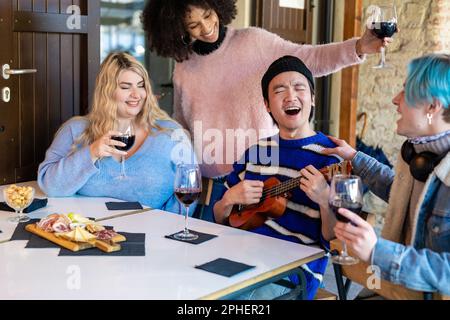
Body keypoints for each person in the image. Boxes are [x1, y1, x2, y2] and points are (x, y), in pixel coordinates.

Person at [142, 0, 392, 221]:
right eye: (194, 25)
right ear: (178, 28)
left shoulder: (254, 41)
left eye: (207, 15)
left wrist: (358, 47)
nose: (206, 28)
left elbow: (310, 59)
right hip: (209, 193)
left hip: (259, 185)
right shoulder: (183, 68)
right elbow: (182, 127)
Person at [214, 56, 344, 300]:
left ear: (313, 98)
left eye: (299, 87)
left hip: (292, 275)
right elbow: (221, 217)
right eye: (279, 90)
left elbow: (333, 238)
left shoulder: (331, 158)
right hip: (238, 258)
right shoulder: (255, 153)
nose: (290, 96)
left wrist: (325, 199)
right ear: (267, 105)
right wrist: (229, 198)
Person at [322, 53, 450, 295]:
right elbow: (402, 193)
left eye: (405, 91)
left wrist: (376, 252)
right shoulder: (418, 157)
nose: (395, 99)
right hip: (396, 290)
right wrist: (353, 157)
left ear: (433, 106)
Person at [38, 52, 196, 214]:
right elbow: (50, 186)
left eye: (141, 85)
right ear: (107, 91)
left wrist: (165, 231)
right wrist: (92, 152)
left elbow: (188, 190)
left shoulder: (171, 134)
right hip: (91, 232)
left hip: (153, 234)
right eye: (126, 87)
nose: (136, 94)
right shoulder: (76, 130)